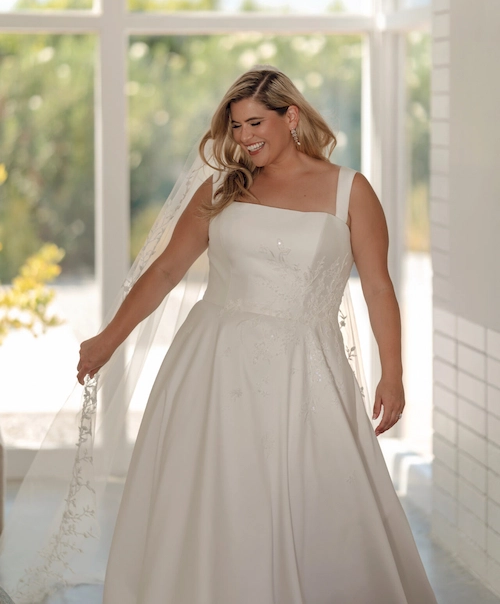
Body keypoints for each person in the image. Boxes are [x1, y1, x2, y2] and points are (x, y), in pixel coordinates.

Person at [73, 66, 438, 604]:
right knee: (216, 495)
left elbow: (379, 288)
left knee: (314, 498)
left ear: (290, 116)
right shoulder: (223, 188)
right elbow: (166, 270)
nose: (244, 137)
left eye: (255, 123)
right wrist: (109, 339)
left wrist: (394, 373)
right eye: (236, 126)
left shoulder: (350, 190)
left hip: (305, 370)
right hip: (213, 365)